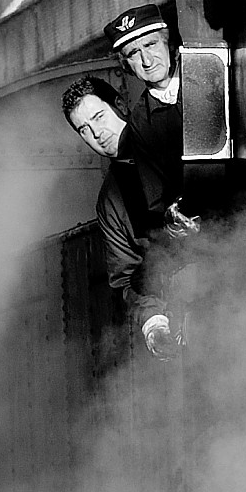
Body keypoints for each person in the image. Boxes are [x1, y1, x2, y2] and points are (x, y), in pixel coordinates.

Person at [62, 74, 194, 357]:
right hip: (193, 313)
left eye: (99, 117)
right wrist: (153, 322)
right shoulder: (109, 202)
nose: (96, 134)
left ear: (120, 105)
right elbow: (127, 275)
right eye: (84, 129)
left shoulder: (174, 135)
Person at [97, 3, 183, 199]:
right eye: (133, 53)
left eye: (150, 45)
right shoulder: (140, 122)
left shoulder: (207, 77)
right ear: (126, 65)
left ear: (168, 43)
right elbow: (158, 197)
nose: (147, 61)